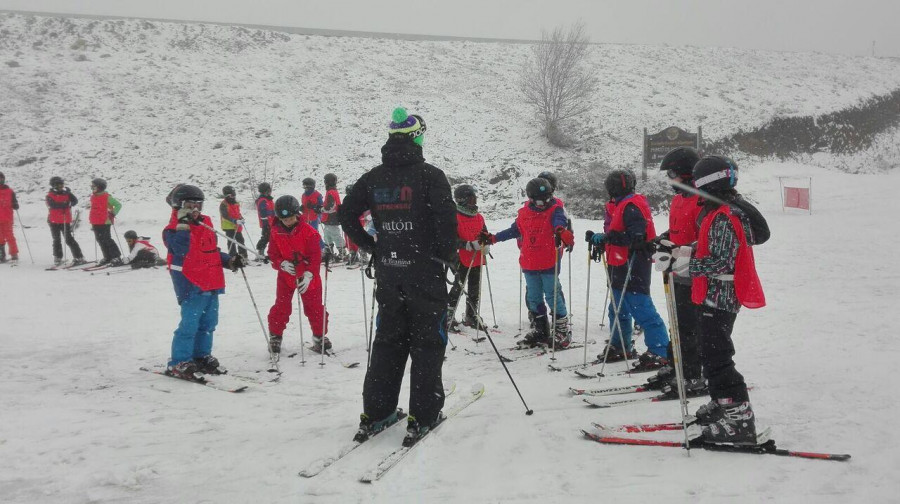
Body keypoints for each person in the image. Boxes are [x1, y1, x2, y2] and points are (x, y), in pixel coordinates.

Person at [340, 107, 456, 447]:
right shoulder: (431, 176)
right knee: (427, 344)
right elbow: (447, 223)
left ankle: (377, 412)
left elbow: (346, 213)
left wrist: (371, 246)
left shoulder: (374, 177)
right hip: (423, 274)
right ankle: (424, 414)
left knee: (388, 342)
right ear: (418, 137)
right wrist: (446, 255)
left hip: (390, 274)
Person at [681, 155, 766, 444]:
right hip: (713, 294)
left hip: (721, 296)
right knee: (709, 351)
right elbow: (710, 246)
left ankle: (739, 418)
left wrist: (685, 265)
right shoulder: (717, 211)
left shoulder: (724, 215)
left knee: (717, 355)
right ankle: (723, 402)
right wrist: (683, 251)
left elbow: (722, 262)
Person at [587, 169, 669, 369]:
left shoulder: (631, 205)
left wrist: (608, 238)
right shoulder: (619, 205)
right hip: (618, 262)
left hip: (634, 263)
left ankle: (660, 351)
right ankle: (621, 345)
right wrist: (604, 239)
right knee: (617, 308)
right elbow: (619, 232)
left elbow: (635, 238)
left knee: (640, 307)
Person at [162, 184, 244, 379]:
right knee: (189, 324)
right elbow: (180, 250)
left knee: (208, 323)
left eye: (199, 205)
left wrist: (229, 261)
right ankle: (179, 361)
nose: (195, 209)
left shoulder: (205, 223)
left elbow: (211, 252)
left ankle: (200, 356)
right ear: (178, 205)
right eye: (190, 205)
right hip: (191, 282)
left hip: (212, 281)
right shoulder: (172, 229)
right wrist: (184, 224)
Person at [482, 177, 574, 349]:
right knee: (533, 297)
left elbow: (559, 222)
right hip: (529, 262)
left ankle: (562, 329)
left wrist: (561, 231)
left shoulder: (555, 209)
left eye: (546, 199)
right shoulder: (524, 213)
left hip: (548, 261)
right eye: (539, 201)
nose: (542, 204)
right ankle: (541, 329)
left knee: (553, 295)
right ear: (530, 199)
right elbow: (514, 230)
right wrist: (494, 238)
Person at [645, 147, 706, 396]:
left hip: (695, 273)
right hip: (676, 271)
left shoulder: (701, 199)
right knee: (677, 323)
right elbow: (678, 231)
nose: (670, 180)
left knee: (690, 326)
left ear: (688, 173)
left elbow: (703, 240)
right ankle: (676, 365)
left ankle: (692, 374)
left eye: (672, 173)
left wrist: (679, 251)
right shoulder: (679, 199)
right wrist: (664, 239)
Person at [266, 195, 330, 356]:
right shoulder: (275, 232)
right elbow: (273, 254)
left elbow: (315, 257)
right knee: (281, 306)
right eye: (283, 219)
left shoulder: (309, 232)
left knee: (315, 307)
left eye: (291, 218)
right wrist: (281, 263)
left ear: (297, 215)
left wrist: (309, 275)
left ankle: (319, 335)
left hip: (308, 276)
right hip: (286, 275)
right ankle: (275, 335)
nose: (287, 222)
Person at [447, 184, 489, 332]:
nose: (475, 201)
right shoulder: (454, 216)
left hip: (476, 258)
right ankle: (447, 316)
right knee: (458, 287)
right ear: (463, 200)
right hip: (461, 258)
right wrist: (467, 244)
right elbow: (450, 239)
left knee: (474, 288)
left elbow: (485, 233)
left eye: (474, 198)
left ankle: (471, 315)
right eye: (471, 198)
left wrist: (485, 242)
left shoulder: (479, 217)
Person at [46, 176, 86, 267]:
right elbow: (53, 205)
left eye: (62, 184)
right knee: (56, 240)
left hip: (65, 220)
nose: (61, 186)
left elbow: (75, 201)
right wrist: (65, 203)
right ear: (54, 186)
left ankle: (79, 257)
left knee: (69, 239)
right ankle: (57, 258)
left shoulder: (67, 193)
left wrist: (69, 203)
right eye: (58, 185)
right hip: (54, 221)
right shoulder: (50, 195)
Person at [89, 178, 123, 266]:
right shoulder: (93, 197)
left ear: (100, 187)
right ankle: (107, 257)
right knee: (100, 239)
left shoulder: (107, 197)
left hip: (105, 221)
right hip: (96, 221)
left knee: (107, 239)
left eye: (94, 186)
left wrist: (113, 213)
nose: (92, 188)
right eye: (92, 186)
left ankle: (116, 257)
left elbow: (118, 205)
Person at [320, 173, 346, 262]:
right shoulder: (331, 191)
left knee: (335, 234)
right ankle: (328, 252)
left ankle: (343, 253)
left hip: (332, 217)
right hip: (329, 218)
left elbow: (331, 207)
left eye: (325, 181)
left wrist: (321, 209)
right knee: (327, 235)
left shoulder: (331, 192)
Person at [219, 186, 247, 259]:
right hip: (229, 226)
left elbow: (238, 213)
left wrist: (241, 218)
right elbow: (225, 215)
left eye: (234, 194)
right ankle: (233, 256)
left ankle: (243, 256)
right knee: (231, 242)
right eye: (232, 195)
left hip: (237, 225)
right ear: (226, 196)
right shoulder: (223, 204)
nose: (233, 197)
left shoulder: (236, 203)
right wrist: (234, 220)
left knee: (240, 240)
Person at [0, 171, 20, 263]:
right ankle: (1, 256)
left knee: (9, 236)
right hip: (4, 217)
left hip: (7, 218)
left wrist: (15, 205)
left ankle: (14, 255)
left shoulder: (10, 191)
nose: (0, 180)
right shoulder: (10, 191)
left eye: (1, 178)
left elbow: (15, 202)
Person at [255, 182, 275, 261]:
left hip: (272, 222)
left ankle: (270, 253)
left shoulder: (268, 199)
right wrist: (270, 215)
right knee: (266, 237)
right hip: (266, 223)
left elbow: (272, 209)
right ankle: (260, 252)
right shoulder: (263, 200)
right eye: (268, 190)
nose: (269, 192)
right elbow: (263, 212)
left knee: (271, 238)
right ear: (264, 191)